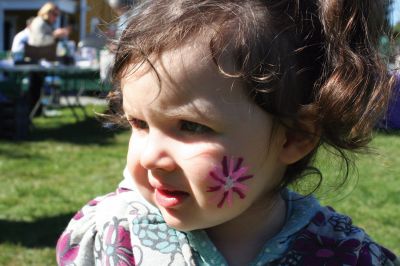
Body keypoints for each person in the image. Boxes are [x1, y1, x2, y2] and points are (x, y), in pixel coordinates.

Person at [56, 0, 399, 265]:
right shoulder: (115, 237)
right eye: (139, 124)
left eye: (191, 126)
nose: (149, 158)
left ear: (294, 137)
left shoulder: (342, 255)